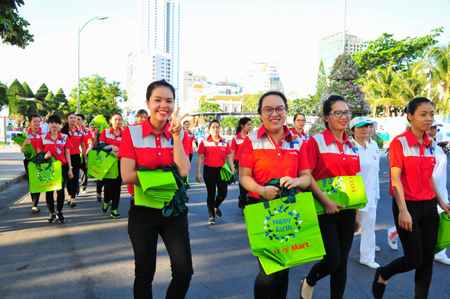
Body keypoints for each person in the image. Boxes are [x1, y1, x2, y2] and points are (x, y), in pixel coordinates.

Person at [120, 80, 193, 298]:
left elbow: (183, 171)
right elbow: (127, 175)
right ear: (147, 103)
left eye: (169, 101)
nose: (164, 105)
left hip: (174, 211)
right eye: (157, 100)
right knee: (144, 273)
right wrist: (165, 178)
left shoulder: (179, 134)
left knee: (184, 272)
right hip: (143, 212)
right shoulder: (131, 133)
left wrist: (178, 138)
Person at [372, 97, 450, 299]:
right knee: (414, 258)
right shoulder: (400, 142)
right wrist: (404, 210)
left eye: (431, 114)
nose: (429, 118)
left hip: (430, 206)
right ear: (410, 116)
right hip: (407, 206)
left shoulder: (430, 143)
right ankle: (383, 273)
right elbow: (395, 178)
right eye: (423, 114)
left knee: (427, 260)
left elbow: (429, 174)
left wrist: (441, 201)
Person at [239, 91, 310, 299]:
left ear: (286, 111)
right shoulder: (250, 141)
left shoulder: (298, 141)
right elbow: (244, 177)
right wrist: (262, 190)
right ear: (260, 114)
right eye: (268, 109)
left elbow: (306, 177)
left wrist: (296, 181)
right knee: (270, 270)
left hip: (290, 209)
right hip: (260, 208)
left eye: (279, 109)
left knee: (285, 265)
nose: (274, 114)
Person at [300, 95, 361, 299]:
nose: (344, 117)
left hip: (347, 210)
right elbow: (306, 176)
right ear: (326, 117)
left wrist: (357, 214)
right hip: (322, 208)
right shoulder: (315, 141)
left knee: (342, 263)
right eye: (338, 112)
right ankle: (309, 280)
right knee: (333, 261)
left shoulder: (352, 146)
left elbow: (354, 183)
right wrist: (325, 201)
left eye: (346, 112)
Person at [350, 117, 381, 269]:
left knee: (369, 225)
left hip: (372, 192)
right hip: (355, 194)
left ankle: (367, 256)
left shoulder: (373, 145)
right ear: (352, 130)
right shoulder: (350, 147)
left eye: (369, 126)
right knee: (350, 227)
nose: (366, 129)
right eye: (362, 126)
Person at [196, 120, 235, 224]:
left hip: (221, 171)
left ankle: (215, 206)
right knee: (211, 194)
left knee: (223, 193)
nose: (215, 129)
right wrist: (198, 173)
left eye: (217, 127)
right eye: (213, 127)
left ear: (220, 128)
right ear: (209, 129)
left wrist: (232, 169)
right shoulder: (204, 142)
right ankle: (211, 216)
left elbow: (229, 157)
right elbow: (200, 158)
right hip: (209, 171)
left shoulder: (225, 142)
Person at [36, 114, 73, 223]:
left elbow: (67, 154)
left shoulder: (65, 137)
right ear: (48, 124)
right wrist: (44, 157)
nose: (54, 125)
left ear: (60, 124)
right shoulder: (42, 137)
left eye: (57, 123)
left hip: (62, 167)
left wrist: (70, 169)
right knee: (49, 191)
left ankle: (59, 212)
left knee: (60, 191)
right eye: (52, 123)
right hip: (48, 168)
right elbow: (38, 155)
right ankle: (51, 212)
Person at [99, 112, 123, 218]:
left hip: (120, 163)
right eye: (115, 119)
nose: (118, 121)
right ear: (111, 121)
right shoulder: (106, 132)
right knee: (108, 187)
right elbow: (100, 146)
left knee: (117, 187)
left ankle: (114, 210)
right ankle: (106, 201)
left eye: (119, 119)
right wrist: (110, 146)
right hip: (108, 163)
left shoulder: (125, 133)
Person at [61, 113, 87, 208]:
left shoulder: (80, 132)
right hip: (65, 157)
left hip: (76, 156)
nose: (73, 119)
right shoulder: (62, 132)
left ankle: (73, 198)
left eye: (74, 118)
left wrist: (85, 158)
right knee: (68, 177)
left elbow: (83, 145)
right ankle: (69, 195)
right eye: (71, 118)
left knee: (75, 177)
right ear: (67, 120)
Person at [22, 113, 44, 213]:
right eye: (35, 121)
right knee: (31, 182)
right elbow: (22, 151)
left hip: (39, 160)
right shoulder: (25, 134)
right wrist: (24, 143)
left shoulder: (43, 134)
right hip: (29, 161)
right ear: (30, 122)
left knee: (38, 180)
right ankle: (34, 203)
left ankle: (34, 205)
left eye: (38, 121)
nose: (37, 123)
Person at [231, 117, 252, 210]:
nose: (250, 126)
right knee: (243, 184)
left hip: (250, 163)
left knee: (250, 184)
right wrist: (231, 168)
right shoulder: (236, 138)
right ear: (242, 126)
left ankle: (242, 199)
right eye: (248, 125)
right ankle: (244, 205)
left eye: (250, 124)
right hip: (239, 164)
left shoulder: (251, 137)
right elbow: (232, 153)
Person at [76, 113, 89, 194]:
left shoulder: (87, 131)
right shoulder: (71, 131)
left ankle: (83, 187)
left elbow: (90, 141)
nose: (76, 121)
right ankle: (76, 190)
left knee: (84, 171)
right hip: (76, 153)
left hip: (85, 152)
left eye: (78, 119)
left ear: (83, 121)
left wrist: (89, 149)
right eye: (75, 119)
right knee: (75, 172)